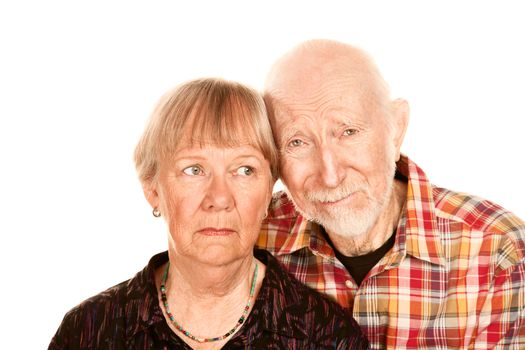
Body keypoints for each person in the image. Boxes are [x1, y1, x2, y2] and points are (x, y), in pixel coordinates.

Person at [48, 78, 369, 349]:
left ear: (269, 192)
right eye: (194, 169)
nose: (219, 198)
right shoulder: (89, 332)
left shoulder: (327, 336)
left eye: (244, 169)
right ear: (152, 189)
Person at [257, 39, 525, 349]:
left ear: (396, 129)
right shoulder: (251, 239)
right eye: (297, 143)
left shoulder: (500, 253)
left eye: (348, 132)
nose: (330, 176)